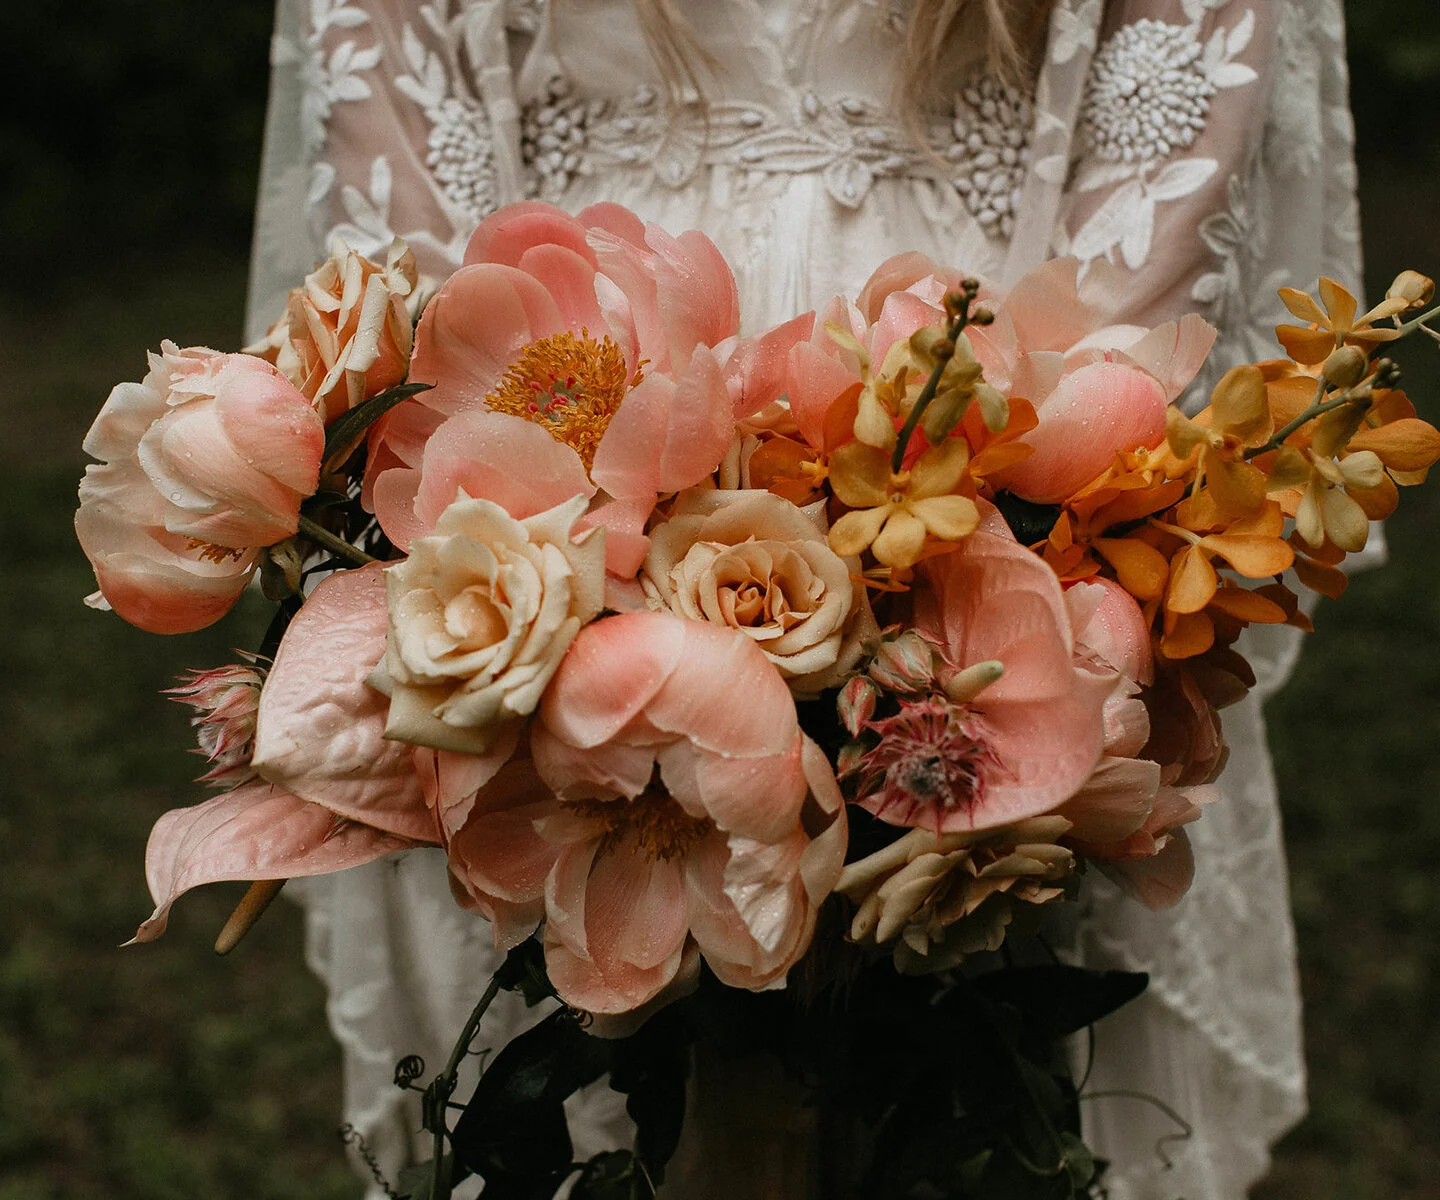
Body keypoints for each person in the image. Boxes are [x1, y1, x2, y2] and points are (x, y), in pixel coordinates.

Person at [246, 1, 1363, 1195]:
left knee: (953, 1119)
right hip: (555, 490)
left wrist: (987, 598)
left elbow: (1144, 270)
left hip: (985, 504)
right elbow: (420, 268)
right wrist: (549, 629)